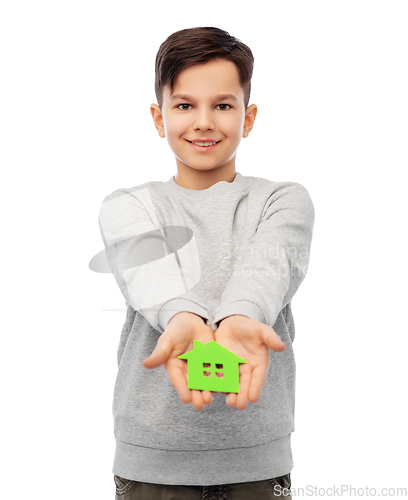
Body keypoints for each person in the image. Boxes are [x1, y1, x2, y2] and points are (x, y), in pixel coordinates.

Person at [98, 26, 315, 500]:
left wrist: (240, 316)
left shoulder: (282, 200)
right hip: (151, 459)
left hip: (256, 455)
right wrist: (182, 316)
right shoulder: (129, 206)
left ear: (248, 116)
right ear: (158, 118)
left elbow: (270, 265)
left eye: (222, 105)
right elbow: (149, 273)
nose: (203, 122)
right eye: (183, 105)